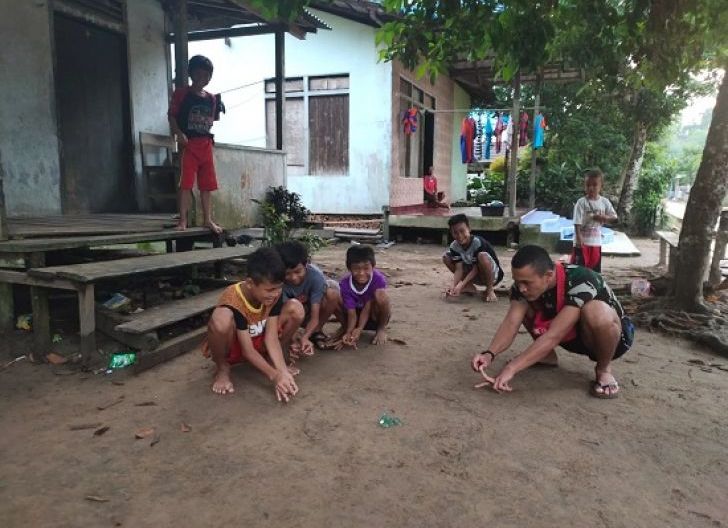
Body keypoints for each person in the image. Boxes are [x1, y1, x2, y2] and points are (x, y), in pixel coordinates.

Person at [471, 245, 635, 399]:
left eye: (527, 282)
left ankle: (603, 369)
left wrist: (511, 368)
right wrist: (489, 354)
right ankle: (546, 356)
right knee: (523, 303)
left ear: (548, 276)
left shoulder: (582, 278)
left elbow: (554, 335)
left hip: (613, 339)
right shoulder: (522, 287)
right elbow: (511, 322)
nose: (521, 288)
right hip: (574, 337)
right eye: (518, 281)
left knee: (595, 311)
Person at [202, 247, 303, 401]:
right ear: (250, 283)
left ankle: (270, 359)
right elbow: (247, 351)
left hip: (259, 339)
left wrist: (282, 371)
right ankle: (223, 368)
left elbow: (271, 338)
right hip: (237, 346)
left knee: (296, 308)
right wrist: (275, 376)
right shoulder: (234, 299)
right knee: (221, 319)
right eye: (270, 290)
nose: (275, 293)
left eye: (279, 288)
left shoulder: (274, 294)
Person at [168, 55, 223, 234]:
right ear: (191, 73)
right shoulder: (181, 93)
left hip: (206, 145)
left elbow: (210, 120)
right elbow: (172, 116)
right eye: (199, 73)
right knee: (186, 184)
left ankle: (208, 220)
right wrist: (178, 133)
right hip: (188, 145)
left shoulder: (212, 98)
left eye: (206, 75)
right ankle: (183, 221)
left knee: (207, 185)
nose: (202, 78)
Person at [275, 240, 344, 356]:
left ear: (306, 264)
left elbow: (315, 317)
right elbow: (279, 315)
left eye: (298, 271)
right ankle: (286, 341)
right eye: (287, 273)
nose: (293, 277)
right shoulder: (277, 282)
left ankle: (315, 331)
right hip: (289, 316)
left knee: (332, 294)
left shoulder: (316, 277)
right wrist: (293, 337)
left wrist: (305, 337)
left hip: (309, 313)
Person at [335, 245, 391, 349]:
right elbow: (351, 313)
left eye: (366, 268)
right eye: (356, 268)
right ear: (349, 268)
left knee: (381, 296)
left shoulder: (378, 279)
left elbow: (367, 308)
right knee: (334, 295)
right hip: (354, 317)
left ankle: (381, 328)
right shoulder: (345, 283)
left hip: (373, 317)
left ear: (373, 266)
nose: (361, 273)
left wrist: (360, 329)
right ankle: (345, 328)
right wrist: (349, 332)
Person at [443, 213, 504, 302]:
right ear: (451, 233)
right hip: (474, 276)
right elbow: (459, 269)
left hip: (492, 276)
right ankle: (469, 286)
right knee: (446, 257)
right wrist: (454, 286)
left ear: (469, 229)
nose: (459, 236)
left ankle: (490, 290)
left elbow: (476, 269)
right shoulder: (454, 246)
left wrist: (461, 285)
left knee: (482, 256)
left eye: (462, 231)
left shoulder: (477, 243)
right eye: (455, 233)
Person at [571, 168, 618, 272]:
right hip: (582, 242)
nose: (591, 188)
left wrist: (604, 218)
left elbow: (615, 218)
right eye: (588, 185)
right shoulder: (581, 202)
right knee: (578, 270)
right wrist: (578, 238)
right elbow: (577, 222)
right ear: (584, 186)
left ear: (601, 186)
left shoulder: (604, 202)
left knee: (594, 270)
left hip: (596, 242)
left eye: (595, 185)